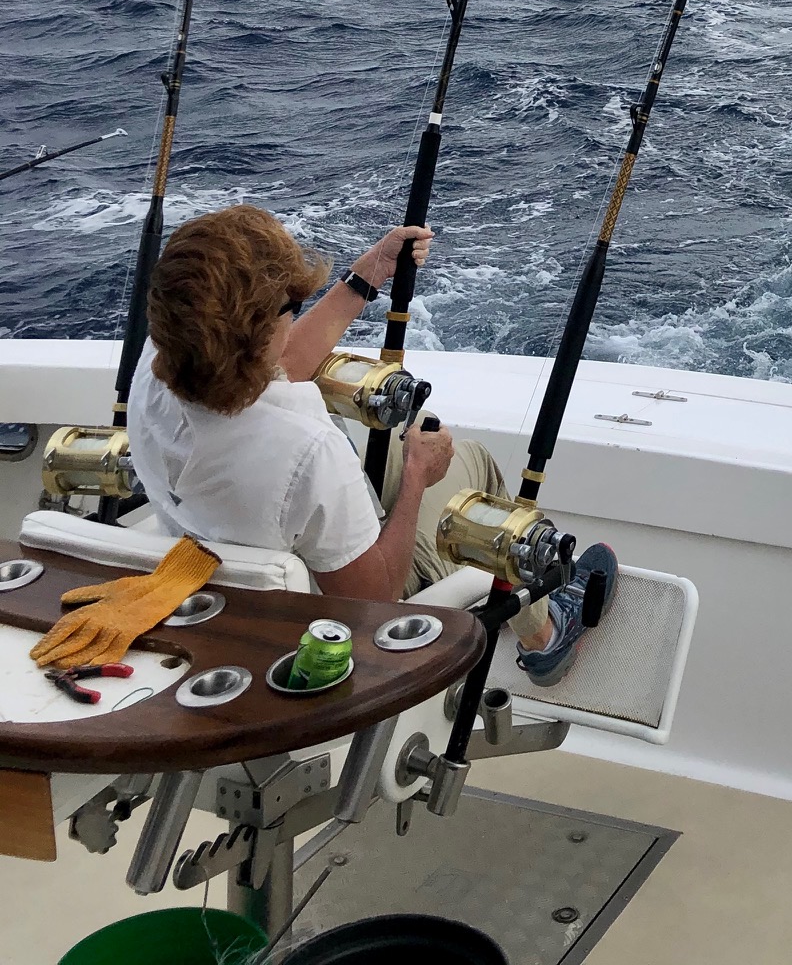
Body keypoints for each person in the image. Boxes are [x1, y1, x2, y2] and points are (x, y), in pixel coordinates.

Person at [128, 203, 615, 686]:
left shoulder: (164, 363)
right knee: (470, 461)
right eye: (290, 307)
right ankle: (546, 634)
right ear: (258, 338)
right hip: (335, 614)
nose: (293, 313)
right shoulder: (306, 453)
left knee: (414, 430)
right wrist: (419, 480)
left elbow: (279, 364)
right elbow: (375, 602)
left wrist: (368, 274)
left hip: (228, 571)